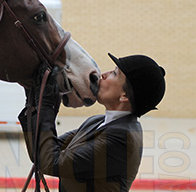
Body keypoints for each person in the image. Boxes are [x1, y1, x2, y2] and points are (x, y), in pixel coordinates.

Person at [19, 53, 166, 192]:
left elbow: (51, 162)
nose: (104, 74)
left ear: (124, 96)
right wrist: (33, 102)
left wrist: (45, 107)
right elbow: (43, 153)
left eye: (115, 73)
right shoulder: (98, 121)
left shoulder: (121, 138)